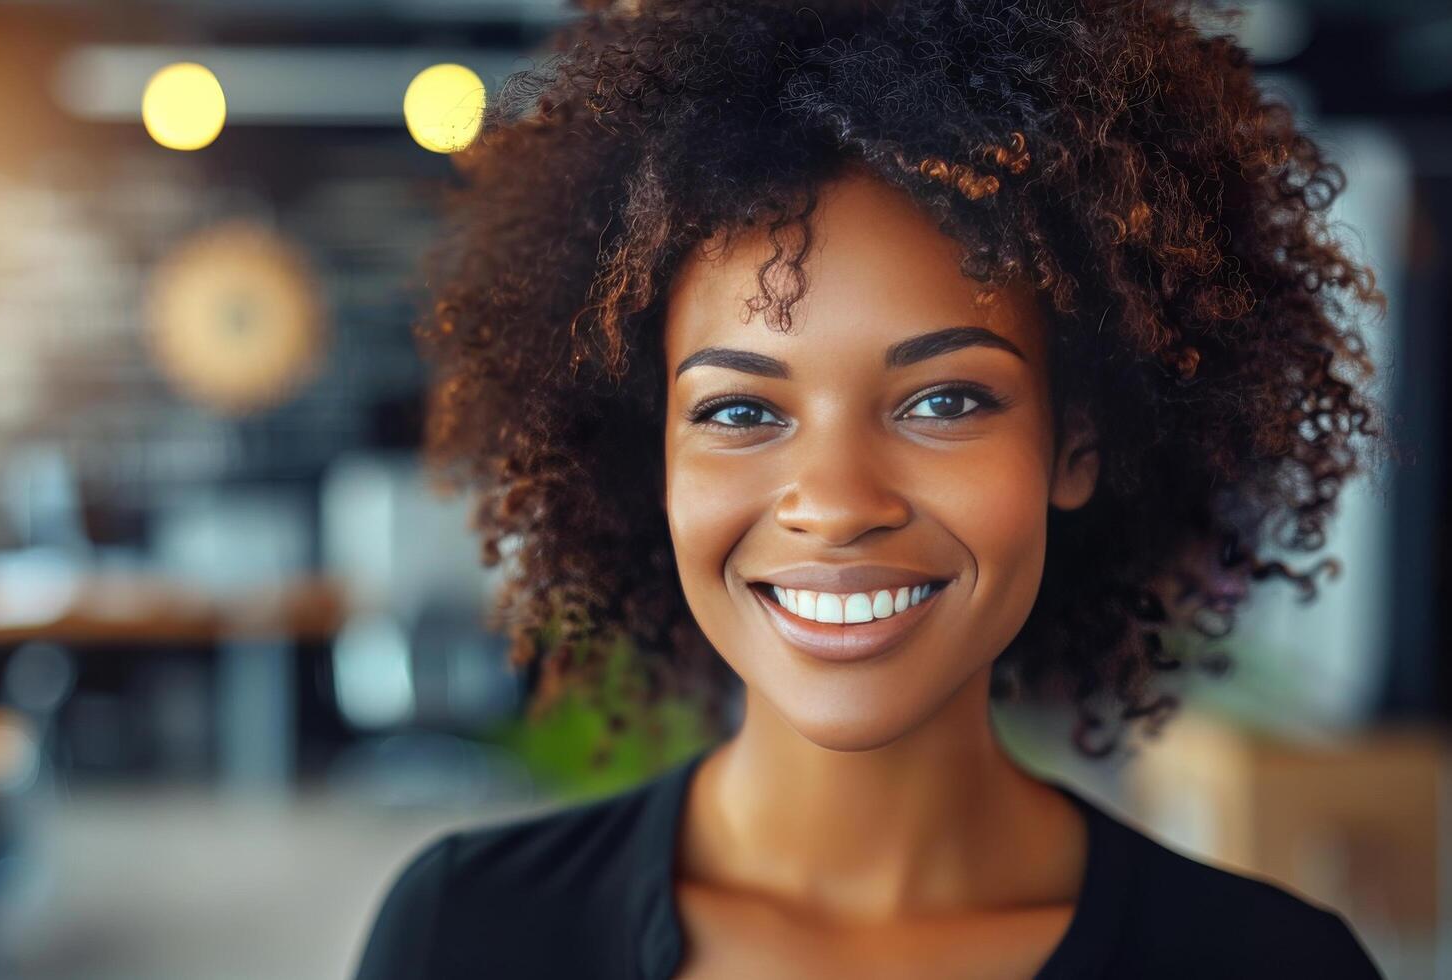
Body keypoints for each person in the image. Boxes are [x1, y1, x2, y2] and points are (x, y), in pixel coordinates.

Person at [355, 0, 1389, 976]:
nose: (837, 501)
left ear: (1076, 443)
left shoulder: (1270, 964)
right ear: (651, 455)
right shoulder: (468, 934)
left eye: (943, 402)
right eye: (740, 411)